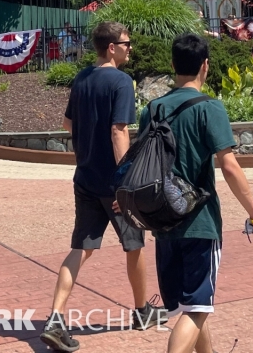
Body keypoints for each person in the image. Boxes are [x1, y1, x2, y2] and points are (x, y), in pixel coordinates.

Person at [141, 33, 253, 353]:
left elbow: (139, 162)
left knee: (194, 307)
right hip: (200, 221)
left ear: (172, 65)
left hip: (162, 220)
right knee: (197, 309)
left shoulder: (152, 109)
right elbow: (229, 166)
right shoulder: (209, 108)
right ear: (205, 66)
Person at [41, 22, 160, 353]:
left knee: (81, 248)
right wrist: (126, 182)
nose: (130, 48)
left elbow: (68, 123)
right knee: (134, 243)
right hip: (113, 184)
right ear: (112, 47)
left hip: (85, 178)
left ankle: (55, 319)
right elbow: (118, 131)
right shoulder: (121, 82)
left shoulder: (82, 78)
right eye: (127, 43)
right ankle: (141, 312)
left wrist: (86, 147)